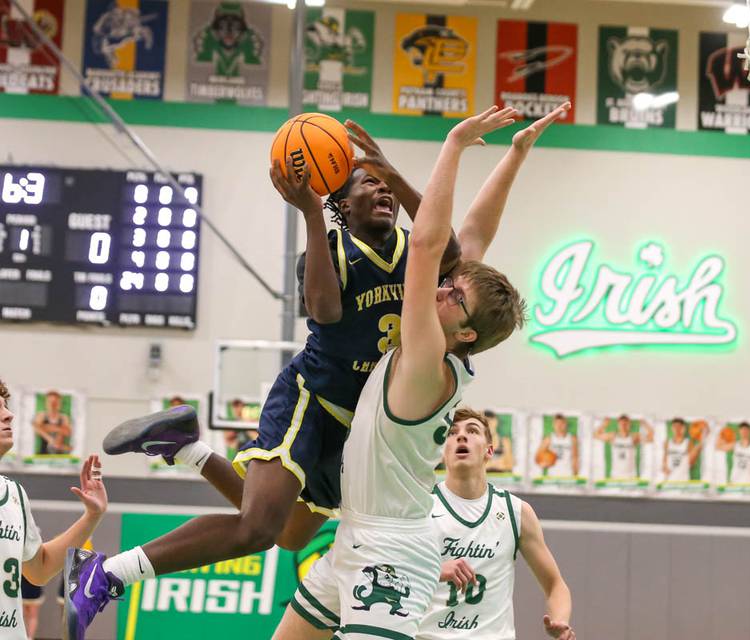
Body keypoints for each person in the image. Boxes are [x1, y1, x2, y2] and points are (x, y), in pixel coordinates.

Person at [63, 104, 568, 638]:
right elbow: (328, 310)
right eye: (366, 184)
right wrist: (310, 213)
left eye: (386, 185)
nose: (382, 191)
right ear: (341, 206)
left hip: (357, 424)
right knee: (259, 527)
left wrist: (403, 170)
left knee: (290, 534)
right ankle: (110, 573)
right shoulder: (335, 250)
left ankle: (187, 446)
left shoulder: (419, 268)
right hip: (314, 396)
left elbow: (447, 242)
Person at [274, 105, 527, 640]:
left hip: (389, 548)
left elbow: (433, 244)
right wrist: (515, 157)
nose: (443, 286)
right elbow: (473, 237)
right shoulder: (451, 346)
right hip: (360, 531)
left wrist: (453, 144)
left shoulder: (420, 356)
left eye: (454, 294)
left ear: (464, 334)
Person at [416, 408, 574, 640]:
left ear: (489, 450)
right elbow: (389, 571)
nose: (461, 436)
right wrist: (433, 571)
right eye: (452, 433)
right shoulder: (419, 507)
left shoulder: (515, 511)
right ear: (443, 451)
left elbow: (555, 585)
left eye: (472, 431)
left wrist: (560, 621)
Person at [0, 379, 107, 640]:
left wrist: (92, 516)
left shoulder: (14, 494)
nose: (9, 414)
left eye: (6, 406)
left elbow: (40, 569)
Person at [593, 415, 654, 480]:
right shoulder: (613, 436)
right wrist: (604, 424)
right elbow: (596, 435)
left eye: (626, 424)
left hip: (631, 475)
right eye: (621, 424)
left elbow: (651, 438)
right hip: (615, 475)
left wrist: (644, 423)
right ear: (618, 425)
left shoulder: (634, 437)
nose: (623, 426)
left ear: (629, 425)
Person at [662, 418, 705, 483]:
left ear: (683, 428)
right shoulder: (667, 442)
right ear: (672, 428)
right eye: (674, 426)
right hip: (669, 478)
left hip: (683, 478)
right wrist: (665, 467)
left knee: (698, 447)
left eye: (679, 426)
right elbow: (664, 460)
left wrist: (697, 450)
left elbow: (691, 463)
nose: (677, 429)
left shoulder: (688, 442)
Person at [537, 413, 579, 477]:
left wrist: (575, 473)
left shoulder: (573, 438)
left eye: (561, 424)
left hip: (568, 473)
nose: (559, 426)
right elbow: (538, 455)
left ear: (566, 424)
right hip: (552, 474)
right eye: (556, 424)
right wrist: (543, 463)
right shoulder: (548, 439)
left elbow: (575, 457)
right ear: (553, 425)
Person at [32, 390, 72, 455]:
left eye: (55, 402)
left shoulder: (64, 417)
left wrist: (45, 427)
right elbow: (36, 429)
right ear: (46, 403)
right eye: (50, 402)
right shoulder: (41, 415)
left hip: (60, 453)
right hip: (43, 453)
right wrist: (50, 439)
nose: (52, 404)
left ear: (59, 403)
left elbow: (67, 432)